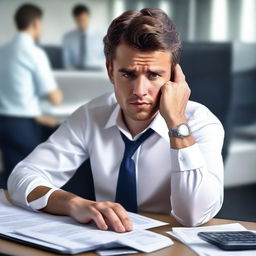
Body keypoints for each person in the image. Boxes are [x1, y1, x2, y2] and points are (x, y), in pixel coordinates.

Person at [8, 8, 224, 233]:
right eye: (127, 74)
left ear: (173, 76)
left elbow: (194, 215)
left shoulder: (201, 123)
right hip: (105, 241)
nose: (140, 91)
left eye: (154, 75)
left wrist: (177, 123)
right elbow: (21, 178)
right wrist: (74, 204)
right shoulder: (92, 115)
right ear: (110, 71)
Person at [0, 4, 63, 188]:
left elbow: (14, 91)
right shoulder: (33, 52)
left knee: (11, 176)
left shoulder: (3, 51)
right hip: (22, 126)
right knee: (27, 180)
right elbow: (55, 98)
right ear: (36, 23)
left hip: (4, 122)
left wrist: (36, 112)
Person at [62, 4, 104, 70]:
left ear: (89, 16)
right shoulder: (68, 38)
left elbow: (107, 58)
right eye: (79, 20)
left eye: (84, 19)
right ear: (75, 19)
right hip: (76, 72)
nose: (82, 23)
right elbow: (66, 61)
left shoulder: (101, 36)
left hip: (97, 71)